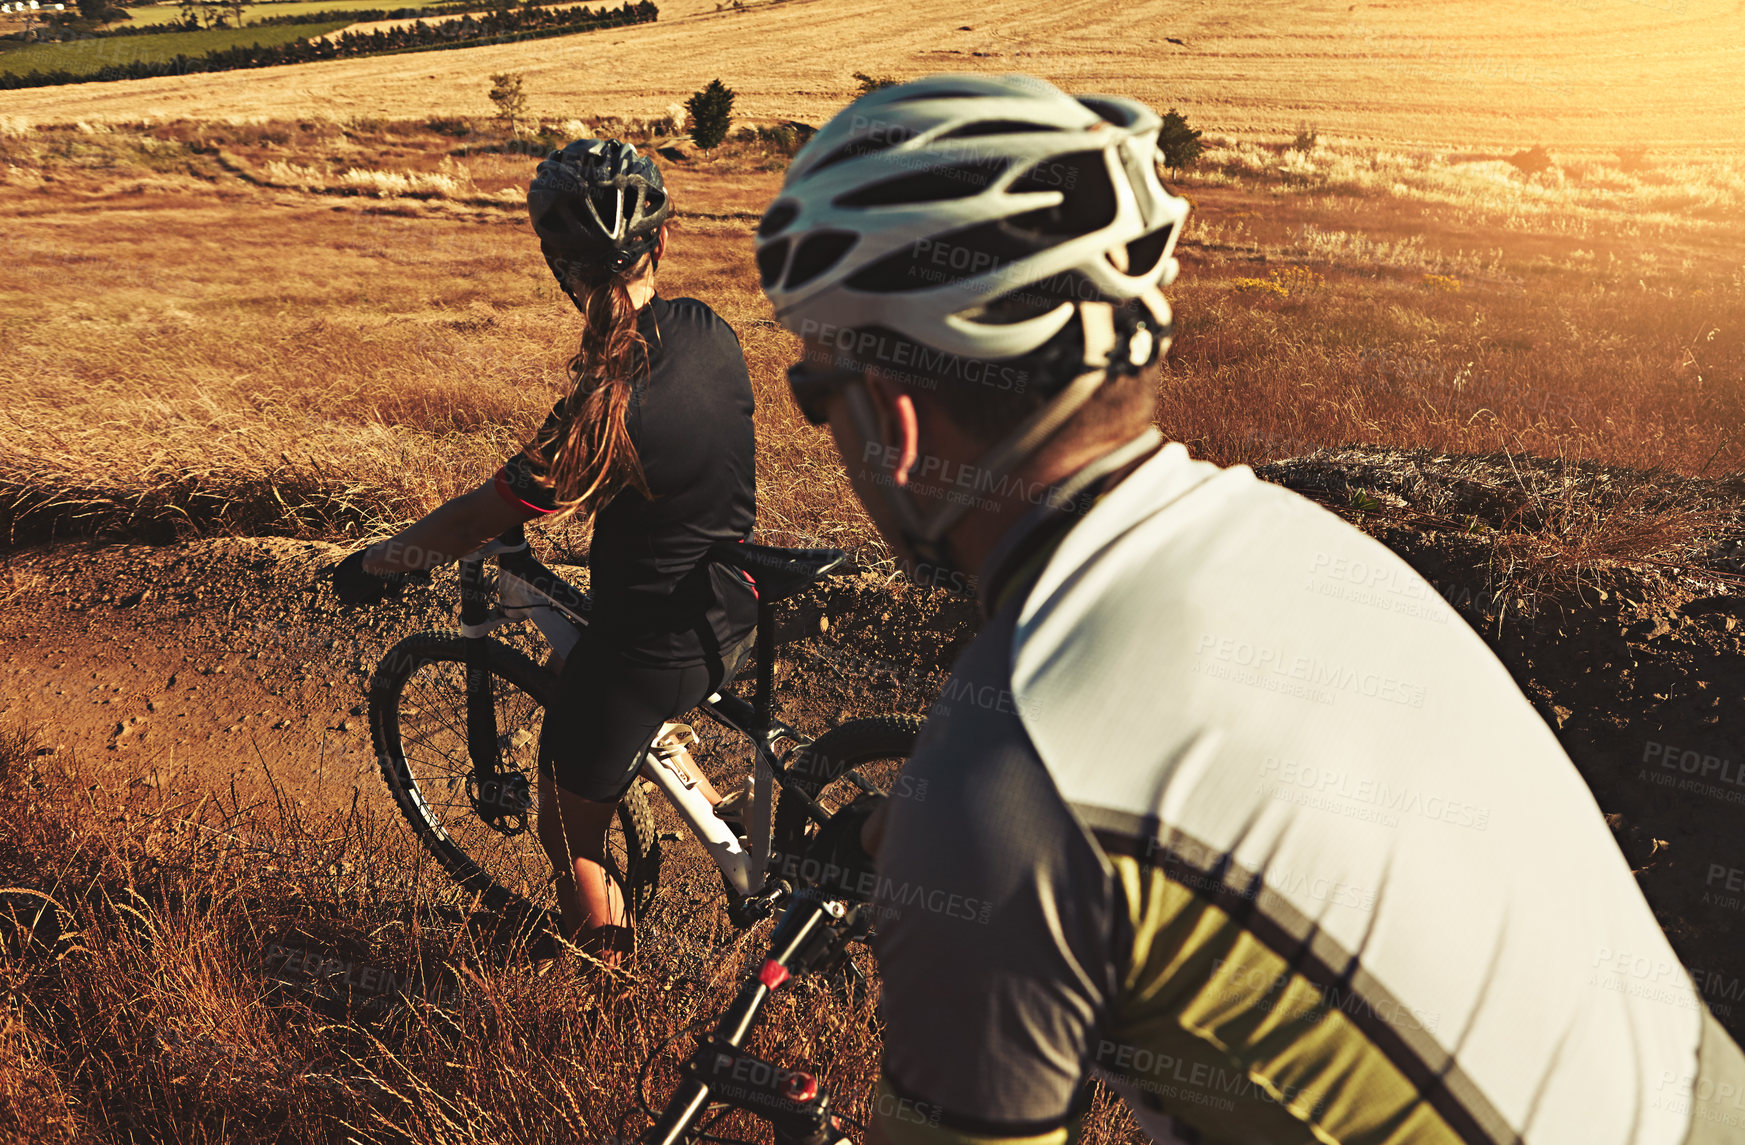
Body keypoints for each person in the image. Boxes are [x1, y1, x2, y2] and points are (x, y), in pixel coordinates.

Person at [760, 75, 1745, 1144]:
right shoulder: (1311, 550)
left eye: (817, 394)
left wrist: (965, 854)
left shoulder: (1004, 756)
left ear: (894, 421)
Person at [332, 139, 758, 962]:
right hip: (733, 606)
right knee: (583, 673)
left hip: (649, 652)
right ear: (662, 242)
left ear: (557, 267)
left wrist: (382, 559)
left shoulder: (598, 413)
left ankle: (604, 977)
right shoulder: (711, 331)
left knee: (569, 835)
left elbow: (471, 521)